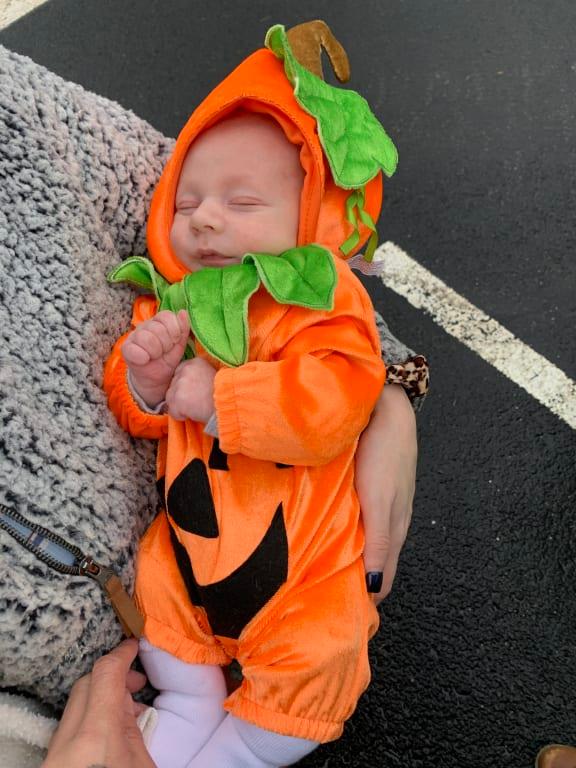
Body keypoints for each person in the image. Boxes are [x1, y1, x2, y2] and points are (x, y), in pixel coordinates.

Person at [102, 22, 426, 768]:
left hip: (302, 576)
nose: (206, 217)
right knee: (162, 609)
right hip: (192, 556)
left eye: (243, 203)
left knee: (314, 662)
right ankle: (187, 704)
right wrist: (147, 385)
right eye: (188, 202)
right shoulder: (174, 301)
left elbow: (339, 400)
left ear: (312, 214)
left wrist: (223, 398)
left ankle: (242, 750)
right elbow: (134, 406)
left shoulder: (324, 306)